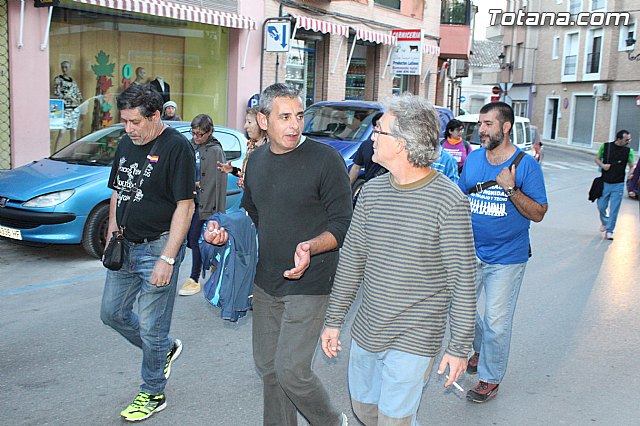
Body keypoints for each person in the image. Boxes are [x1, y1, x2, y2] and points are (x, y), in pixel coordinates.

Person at [321, 94, 477, 425]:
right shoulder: (372, 194)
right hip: (368, 331)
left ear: (403, 143)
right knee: (365, 412)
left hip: (416, 336)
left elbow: (463, 280)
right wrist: (334, 321)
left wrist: (459, 347)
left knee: (394, 420)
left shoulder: (448, 201)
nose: (372, 137)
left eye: (380, 131)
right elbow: (351, 262)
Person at [203, 83, 352, 426]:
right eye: (284, 117)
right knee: (270, 369)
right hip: (267, 281)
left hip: (312, 281)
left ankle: (332, 422)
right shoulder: (256, 162)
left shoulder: (325, 160)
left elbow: (344, 224)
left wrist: (310, 247)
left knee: (292, 372)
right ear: (263, 120)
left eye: (299, 116)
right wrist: (224, 232)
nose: (294, 125)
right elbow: (252, 215)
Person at [99, 84, 195, 421]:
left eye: (135, 122)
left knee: (153, 326)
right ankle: (163, 350)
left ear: (155, 115)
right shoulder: (127, 142)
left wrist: (168, 258)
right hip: (126, 244)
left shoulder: (177, 148)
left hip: (159, 245)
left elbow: (186, 205)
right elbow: (117, 190)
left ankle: (152, 392)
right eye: (124, 121)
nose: (128, 129)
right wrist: (113, 231)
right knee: (111, 313)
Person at [458, 101, 548, 403]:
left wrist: (511, 190)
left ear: (505, 127)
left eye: (487, 124)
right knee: (461, 311)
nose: (480, 130)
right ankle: (481, 347)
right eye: (479, 124)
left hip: (507, 258)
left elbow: (538, 213)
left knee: (497, 321)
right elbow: (460, 199)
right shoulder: (473, 159)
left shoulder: (525, 165)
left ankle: (489, 378)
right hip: (470, 252)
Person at [179, 114, 227, 296]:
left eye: (200, 134)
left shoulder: (215, 150)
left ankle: (194, 277)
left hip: (207, 203)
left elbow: (219, 183)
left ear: (210, 132)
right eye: (194, 133)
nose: (196, 137)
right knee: (195, 240)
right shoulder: (190, 146)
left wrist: (216, 210)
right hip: (191, 200)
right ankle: (212, 266)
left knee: (197, 239)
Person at [594, 130, 634, 240]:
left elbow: (632, 165)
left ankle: (610, 230)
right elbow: (596, 159)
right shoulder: (605, 147)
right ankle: (605, 222)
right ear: (619, 139)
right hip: (605, 182)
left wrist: (630, 174)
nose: (628, 141)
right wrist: (603, 165)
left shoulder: (628, 151)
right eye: (626, 139)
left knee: (614, 209)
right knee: (601, 205)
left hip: (618, 184)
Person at [217, 107, 268, 189]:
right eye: (246, 122)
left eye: (249, 122)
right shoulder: (251, 145)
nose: (245, 126)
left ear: (261, 124)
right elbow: (245, 174)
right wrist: (232, 170)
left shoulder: (269, 148)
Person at [348, 113, 388, 186]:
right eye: (377, 126)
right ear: (373, 127)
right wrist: (347, 187)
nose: (378, 130)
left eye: (381, 128)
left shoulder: (392, 146)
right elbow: (356, 168)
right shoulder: (365, 145)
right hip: (370, 186)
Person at [53, 60, 83, 150]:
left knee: (74, 132)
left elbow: (79, 95)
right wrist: (68, 97)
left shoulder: (73, 82)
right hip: (64, 109)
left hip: (74, 109)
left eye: (66, 67)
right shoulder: (58, 80)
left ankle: (72, 152)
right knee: (62, 132)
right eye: (63, 67)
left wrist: (76, 100)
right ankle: (56, 152)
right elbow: (56, 93)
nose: (64, 69)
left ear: (70, 68)